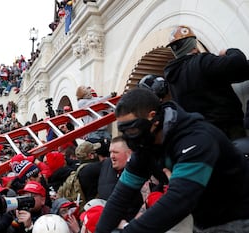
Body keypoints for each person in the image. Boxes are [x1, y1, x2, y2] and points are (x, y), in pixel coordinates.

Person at [95, 88, 249, 233]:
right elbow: (121, 195)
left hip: (239, 218)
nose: (128, 137)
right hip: (204, 220)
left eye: (132, 129)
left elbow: (179, 200)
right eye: (123, 131)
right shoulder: (145, 146)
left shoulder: (196, 139)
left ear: (153, 119)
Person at [164, 25, 249, 140]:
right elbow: (238, 63)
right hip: (227, 131)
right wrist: (229, 51)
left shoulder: (172, 77)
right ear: (193, 44)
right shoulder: (201, 62)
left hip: (202, 136)